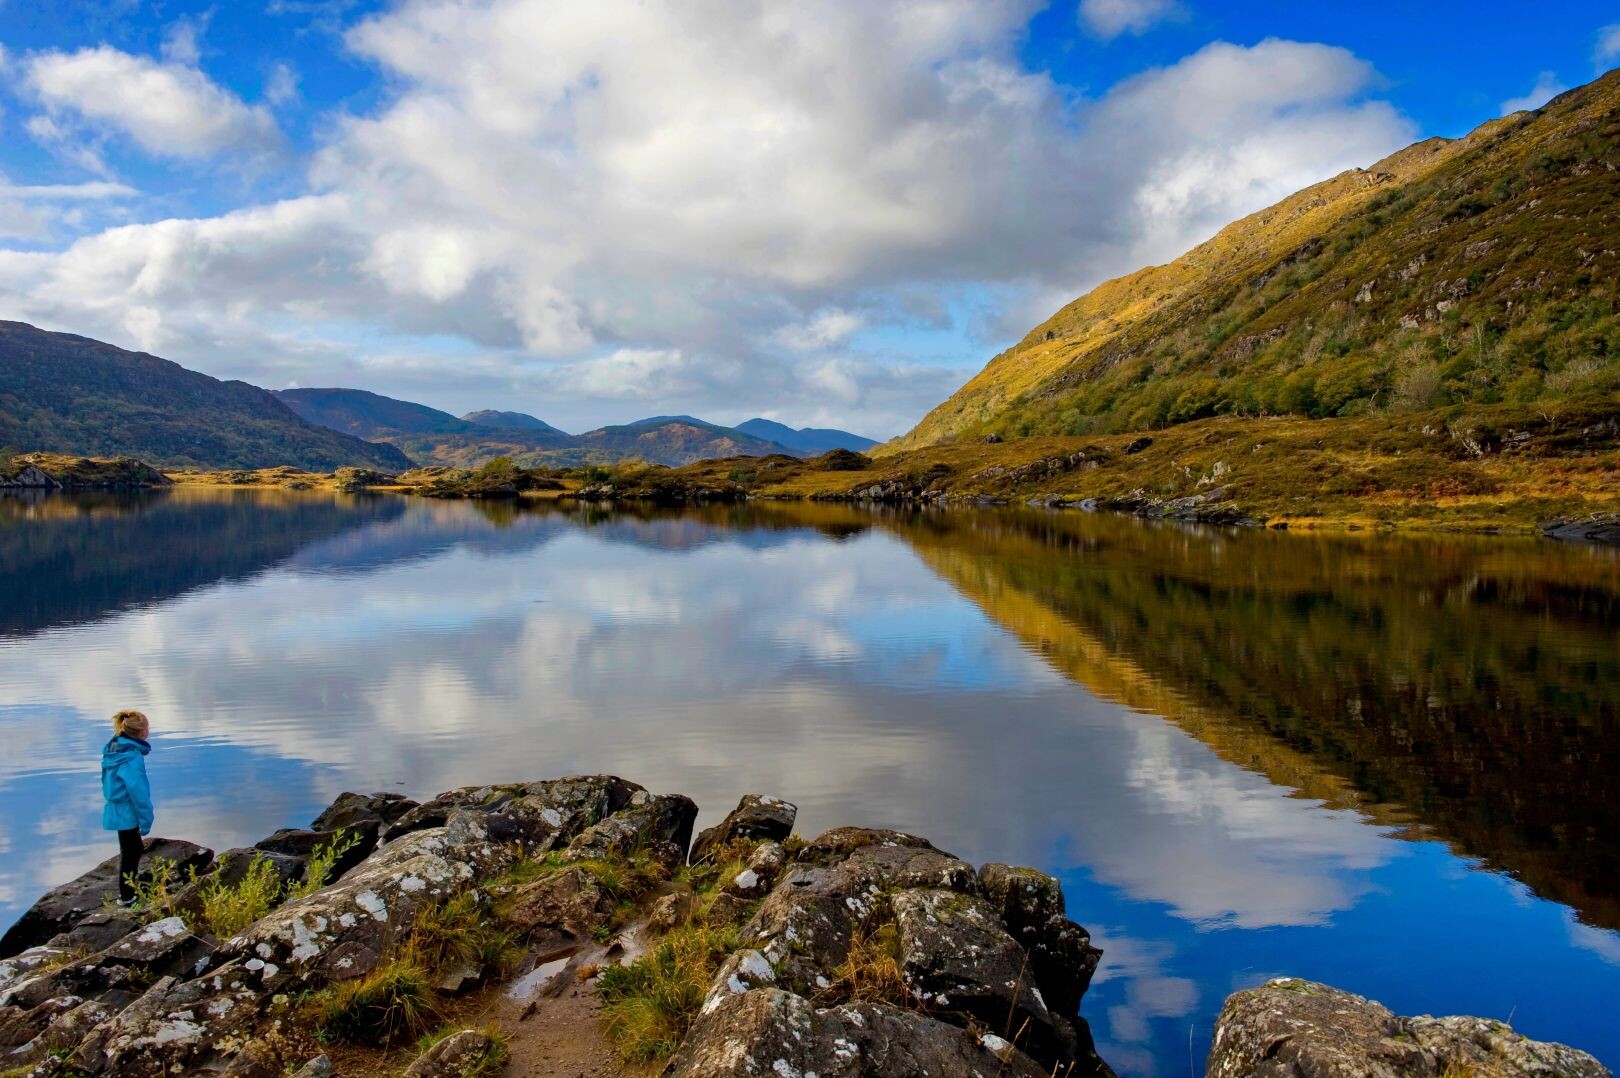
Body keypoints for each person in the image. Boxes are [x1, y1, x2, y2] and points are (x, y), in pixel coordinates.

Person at [101, 709, 155, 906]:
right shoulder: (132, 757)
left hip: (115, 807)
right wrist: (146, 818)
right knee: (131, 852)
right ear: (142, 733)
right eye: (148, 728)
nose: (149, 731)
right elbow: (138, 790)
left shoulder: (113, 748)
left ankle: (129, 892)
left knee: (132, 849)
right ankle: (127, 898)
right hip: (127, 810)